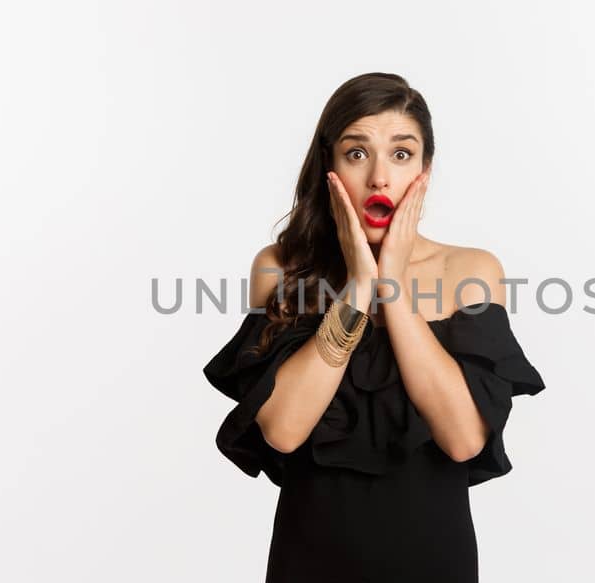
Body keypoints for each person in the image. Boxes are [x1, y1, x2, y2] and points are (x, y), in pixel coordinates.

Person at [203, 72, 547, 583]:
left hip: (434, 561)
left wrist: (393, 284)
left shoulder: (472, 271)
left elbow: (463, 439)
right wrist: (360, 286)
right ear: (330, 165)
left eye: (401, 154)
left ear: (425, 170)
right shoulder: (280, 268)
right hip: (309, 562)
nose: (380, 178)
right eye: (358, 153)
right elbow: (283, 429)